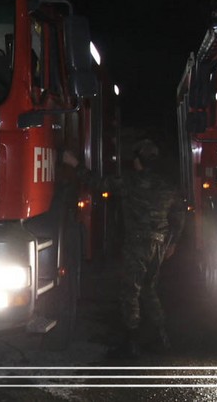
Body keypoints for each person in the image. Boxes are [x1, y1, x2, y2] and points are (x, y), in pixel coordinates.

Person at [63, 139, 185, 359]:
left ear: (138, 160)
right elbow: (179, 215)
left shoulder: (130, 182)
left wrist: (75, 164)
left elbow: (98, 183)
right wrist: (173, 243)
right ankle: (161, 337)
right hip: (159, 244)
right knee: (149, 289)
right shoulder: (167, 186)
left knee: (130, 292)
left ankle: (131, 343)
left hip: (137, 244)